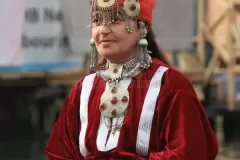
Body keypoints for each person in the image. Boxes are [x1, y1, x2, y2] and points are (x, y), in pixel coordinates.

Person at [46, 0, 219, 159]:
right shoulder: (83, 89)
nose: (103, 30)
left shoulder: (171, 85)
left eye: (115, 21)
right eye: (97, 21)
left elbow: (190, 153)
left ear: (142, 28)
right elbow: (59, 153)